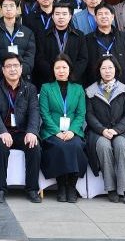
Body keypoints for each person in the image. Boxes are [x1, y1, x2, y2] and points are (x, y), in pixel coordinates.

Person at [0, 53, 42, 203]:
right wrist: (2, 131)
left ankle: (32, 189)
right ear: (3, 70)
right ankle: (0, 189)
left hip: (22, 132)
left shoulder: (30, 88)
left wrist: (32, 131)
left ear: (21, 68)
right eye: (8, 66)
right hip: (3, 132)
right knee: (0, 147)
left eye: (15, 66)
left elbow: (35, 112)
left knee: (34, 146)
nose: (12, 69)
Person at [84, 57, 125, 204]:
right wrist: (102, 130)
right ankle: (111, 188)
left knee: (121, 145)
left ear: (116, 70)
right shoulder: (90, 91)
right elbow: (89, 115)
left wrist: (116, 130)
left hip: (121, 131)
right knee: (103, 146)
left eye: (110, 68)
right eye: (103, 68)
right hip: (99, 131)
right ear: (99, 71)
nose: (107, 71)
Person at [38, 55, 88, 203]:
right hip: (51, 131)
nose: (61, 71)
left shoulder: (78, 89)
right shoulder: (46, 88)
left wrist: (72, 130)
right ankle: (61, 186)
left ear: (69, 69)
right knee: (59, 146)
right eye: (57, 68)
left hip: (73, 131)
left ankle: (71, 186)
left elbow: (80, 114)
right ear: (53, 70)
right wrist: (57, 132)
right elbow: (44, 113)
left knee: (75, 145)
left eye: (64, 67)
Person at [33, 3, 88, 85]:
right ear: (52, 16)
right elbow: (40, 58)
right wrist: (54, 75)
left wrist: (71, 76)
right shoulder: (43, 35)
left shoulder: (79, 35)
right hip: (50, 82)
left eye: (64, 14)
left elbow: (83, 59)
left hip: (73, 82)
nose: (61, 17)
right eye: (57, 14)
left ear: (70, 17)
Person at [0, 0, 35, 84]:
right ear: (1, 10)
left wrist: (17, 73)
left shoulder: (28, 32)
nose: (8, 9)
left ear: (17, 9)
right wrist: (5, 73)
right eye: (5, 6)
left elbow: (29, 57)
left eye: (11, 6)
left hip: (23, 81)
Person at [83, 4, 125, 87]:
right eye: (100, 14)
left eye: (106, 13)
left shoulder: (122, 36)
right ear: (95, 18)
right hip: (95, 85)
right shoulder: (87, 39)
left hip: (121, 84)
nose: (103, 16)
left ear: (112, 17)